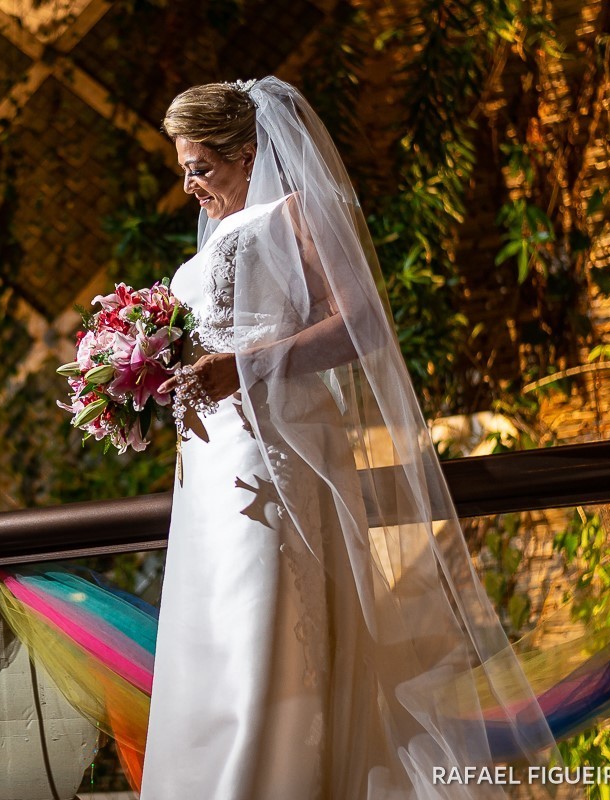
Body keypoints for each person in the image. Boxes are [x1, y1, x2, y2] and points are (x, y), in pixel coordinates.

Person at [143, 77, 559, 799]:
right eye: (183, 169)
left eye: (201, 167)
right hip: (204, 474)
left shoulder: (292, 213)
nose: (189, 186)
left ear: (247, 154)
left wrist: (245, 366)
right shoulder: (208, 247)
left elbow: (362, 324)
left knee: (260, 621)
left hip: (266, 458)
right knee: (210, 629)